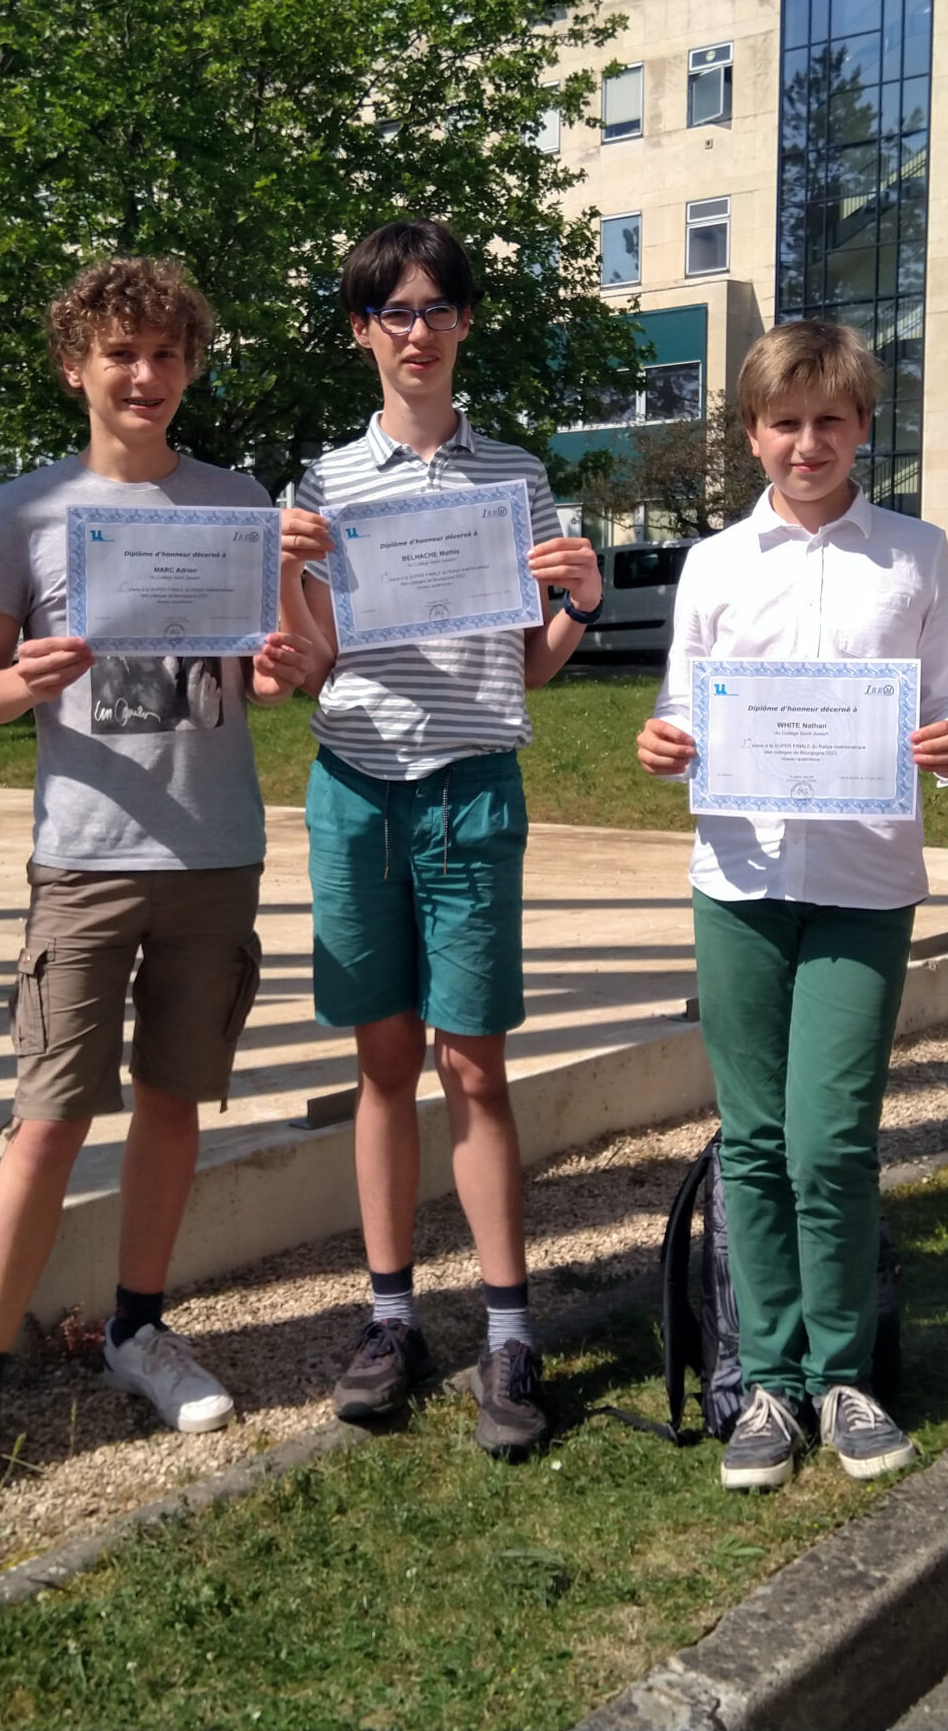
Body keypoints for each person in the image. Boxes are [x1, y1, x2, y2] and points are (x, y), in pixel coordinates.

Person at [0, 258, 330, 1542]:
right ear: (75, 364)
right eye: (121, 354)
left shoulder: (238, 504)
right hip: (82, 857)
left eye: (169, 355)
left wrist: (292, 633)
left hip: (213, 854)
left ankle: (137, 1327)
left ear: (191, 367)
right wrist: (19, 681)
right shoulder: (23, 512)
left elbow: (276, 677)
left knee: (176, 1107)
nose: (145, 377)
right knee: (47, 1120)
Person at [635, 321, 948, 1491]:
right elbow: (683, 718)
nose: (807, 443)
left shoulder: (916, 554)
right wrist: (662, 744)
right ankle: (769, 1386)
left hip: (862, 884)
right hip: (737, 882)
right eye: (784, 423)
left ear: (861, 429)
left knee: (831, 1140)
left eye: (829, 421)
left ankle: (844, 1375)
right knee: (753, 1142)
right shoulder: (713, 567)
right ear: (751, 435)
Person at [291, 220, 608, 1457]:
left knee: (472, 1066)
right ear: (362, 333)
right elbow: (312, 666)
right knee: (381, 1062)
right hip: (357, 783)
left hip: (473, 781)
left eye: (434, 309)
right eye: (391, 313)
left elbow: (524, 667)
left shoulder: (515, 476)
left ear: (464, 323)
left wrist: (581, 602)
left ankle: (507, 1329)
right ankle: (388, 1317)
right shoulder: (319, 486)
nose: (414, 333)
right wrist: (282, 586)